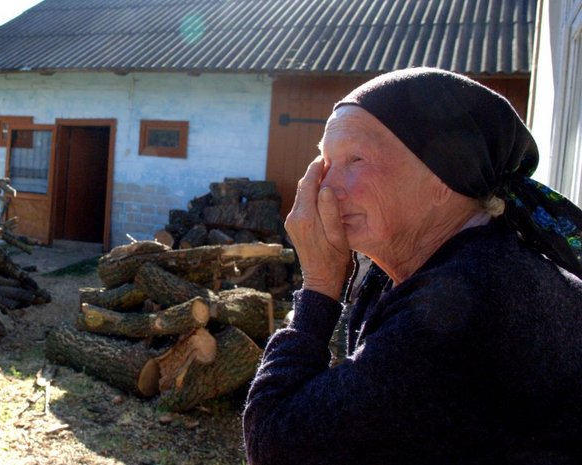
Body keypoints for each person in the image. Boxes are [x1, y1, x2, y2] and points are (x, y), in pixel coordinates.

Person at [242, 67, 582, 464]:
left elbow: (276, 445)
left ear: (444, 179)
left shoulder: (471, 303)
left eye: (355, 159)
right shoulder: (464, 263)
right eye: (325, 161)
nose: (326, 187)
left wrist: (318, 286)